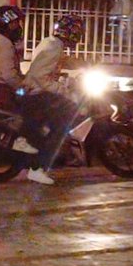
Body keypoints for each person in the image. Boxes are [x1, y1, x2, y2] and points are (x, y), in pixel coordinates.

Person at [16, 12, 87, 186]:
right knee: (60, 129)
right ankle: (37, 169)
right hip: (38, 96)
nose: (79, 35)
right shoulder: (54, 46)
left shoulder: (52, 43)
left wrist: (81, 65)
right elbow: (41, 76)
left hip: (35, 93)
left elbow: (53, 64)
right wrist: (64, 90)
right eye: (77, 30)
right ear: (70, 32)